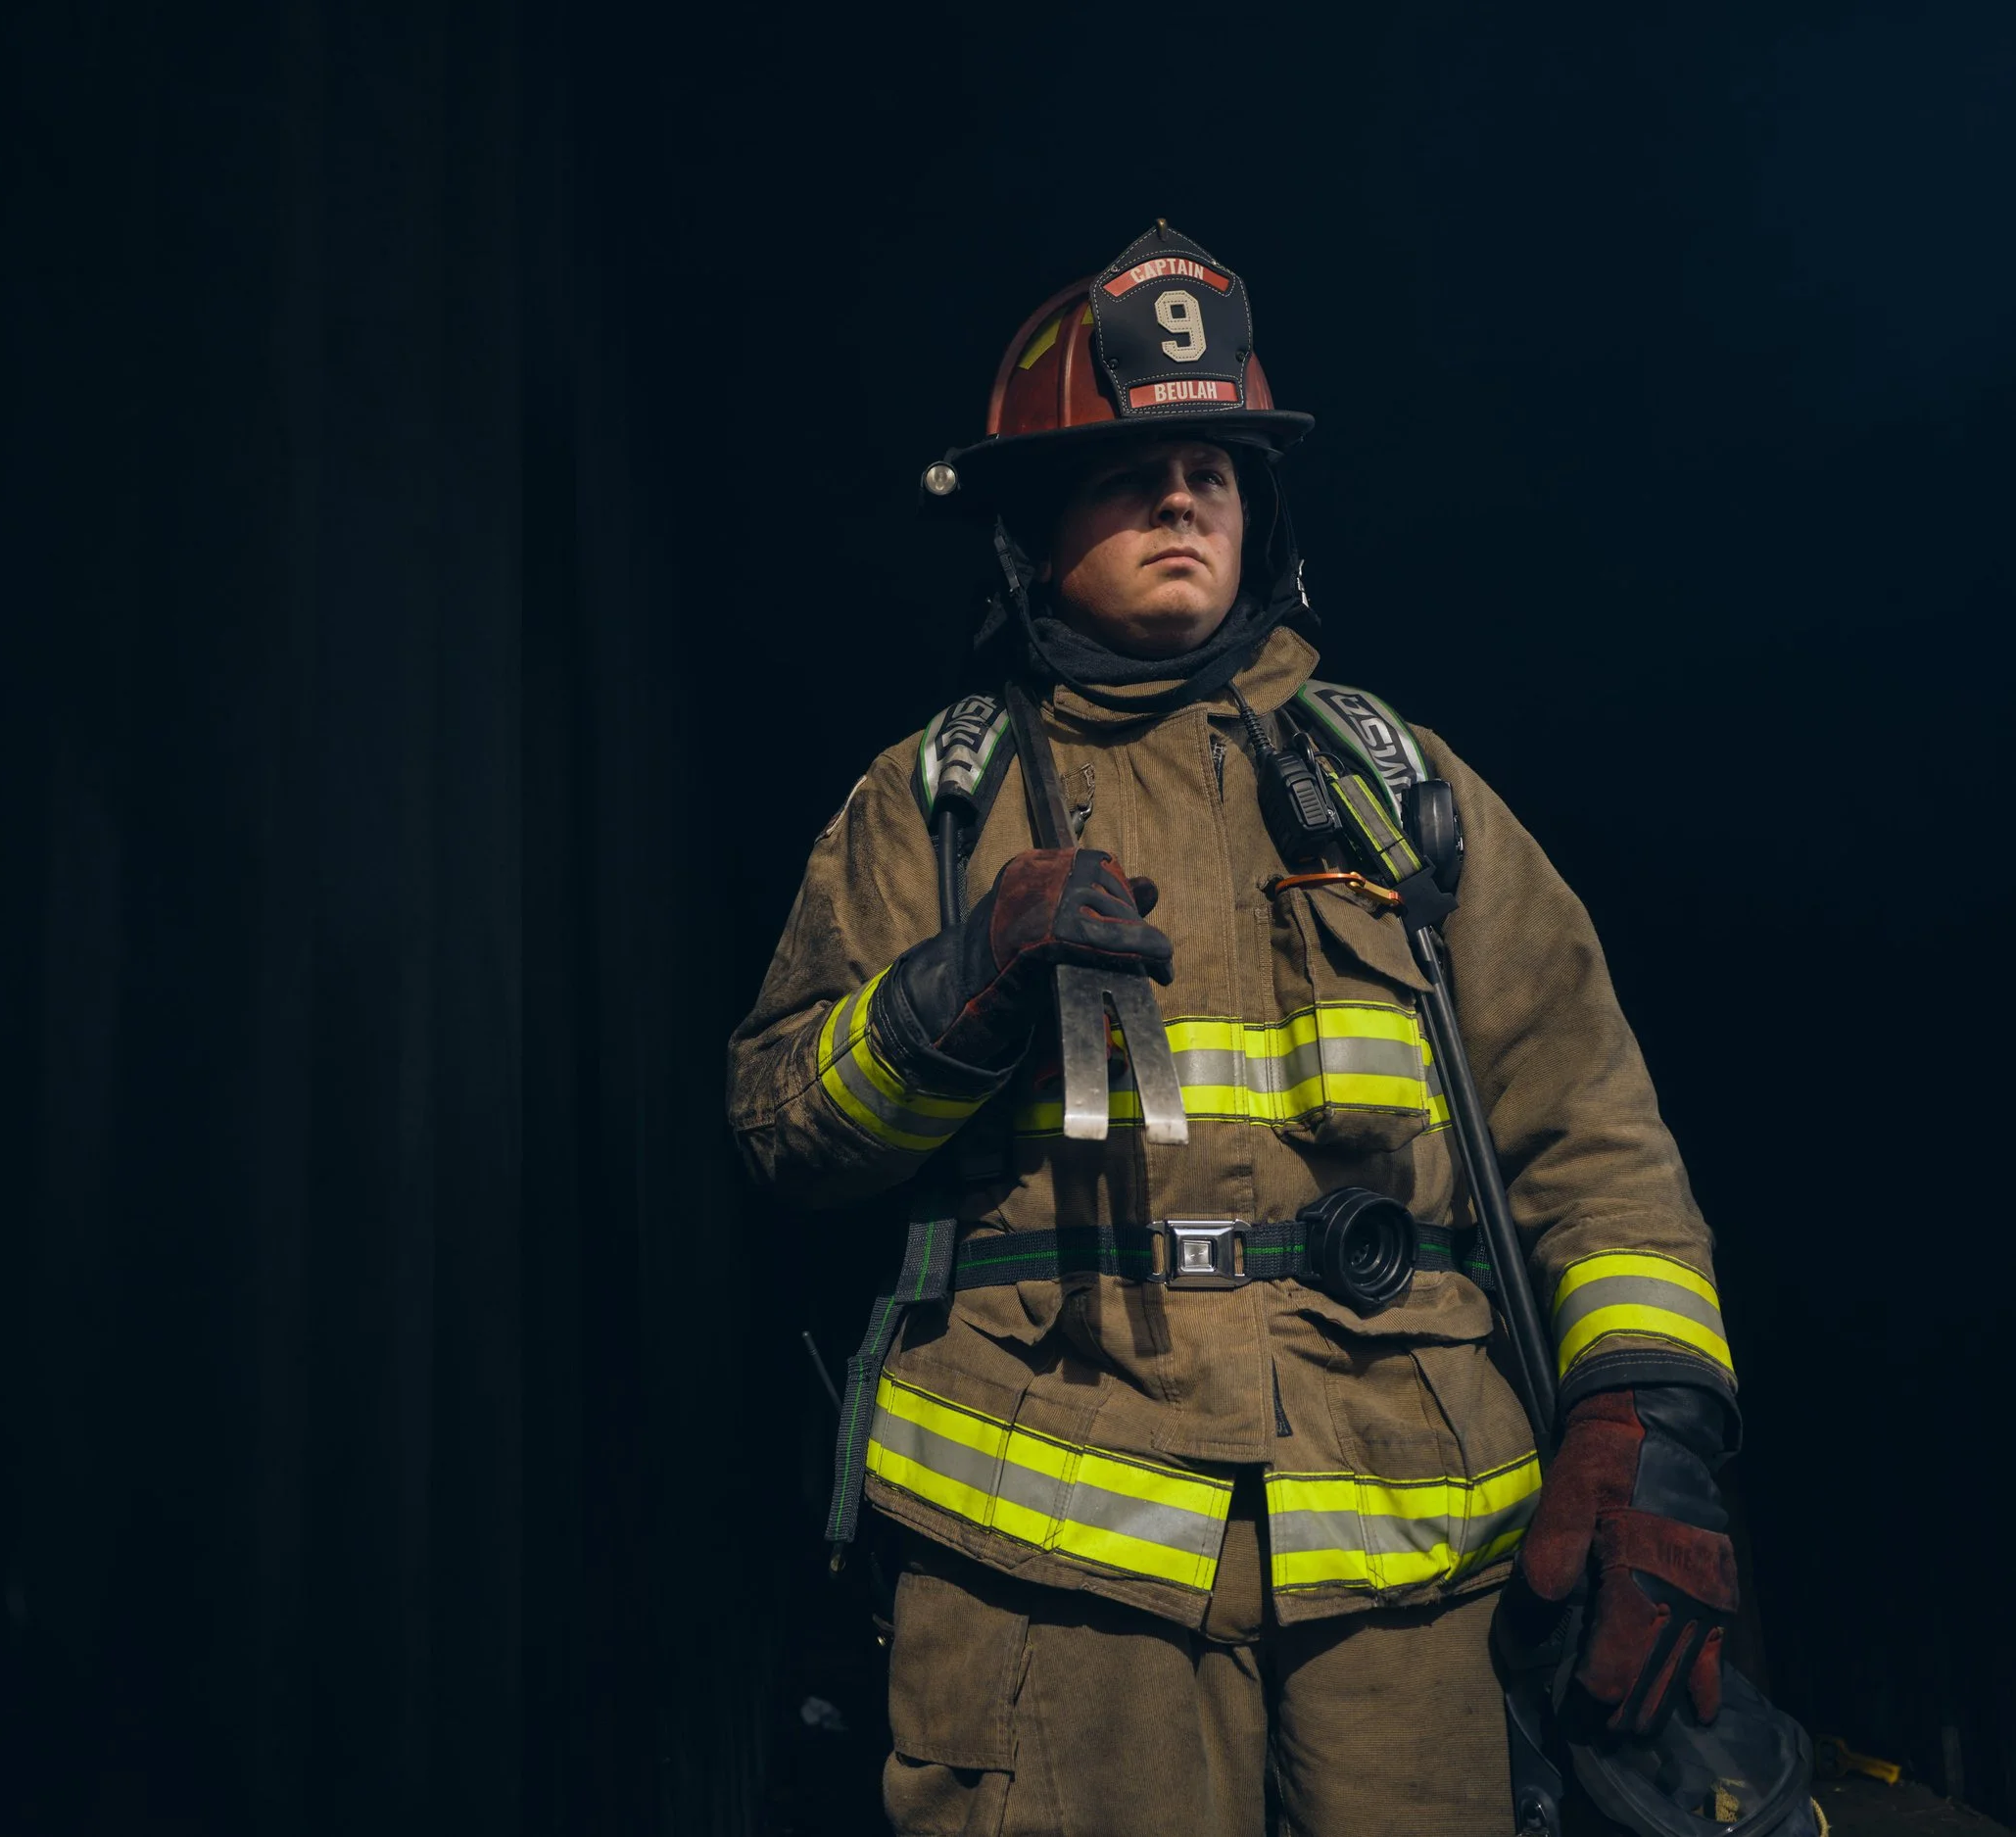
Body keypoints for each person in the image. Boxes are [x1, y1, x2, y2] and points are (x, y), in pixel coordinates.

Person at [725, 223, 1747, 1835]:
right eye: (1128, 464)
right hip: (1045, 1560)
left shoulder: (1402, 787)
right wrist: (955, 994)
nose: (1182, 494)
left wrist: (1652, 1422)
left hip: (1410, 1568)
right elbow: (784, 1119)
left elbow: (1594, 1137)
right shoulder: (936, 803)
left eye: (1212, 461)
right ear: (1026, 524)